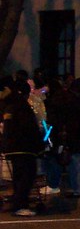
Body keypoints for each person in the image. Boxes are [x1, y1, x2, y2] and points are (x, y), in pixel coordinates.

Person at [42, 77, 80, 198]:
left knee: (71, 161)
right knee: (78, 161)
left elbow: (54, 120)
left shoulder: (57, 100)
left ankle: (79, 189)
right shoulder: (76, 99)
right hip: (78, 134)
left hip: (67, 135)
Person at [1, 79, 45, 216]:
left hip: (13, 146)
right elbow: (30, 128)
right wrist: (40, 145)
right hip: (25, 147)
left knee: (18, 176)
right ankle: (21, 205)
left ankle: (18, 203)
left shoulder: (9, 106)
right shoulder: (23, 107)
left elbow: (8, 128)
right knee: (27, 176)